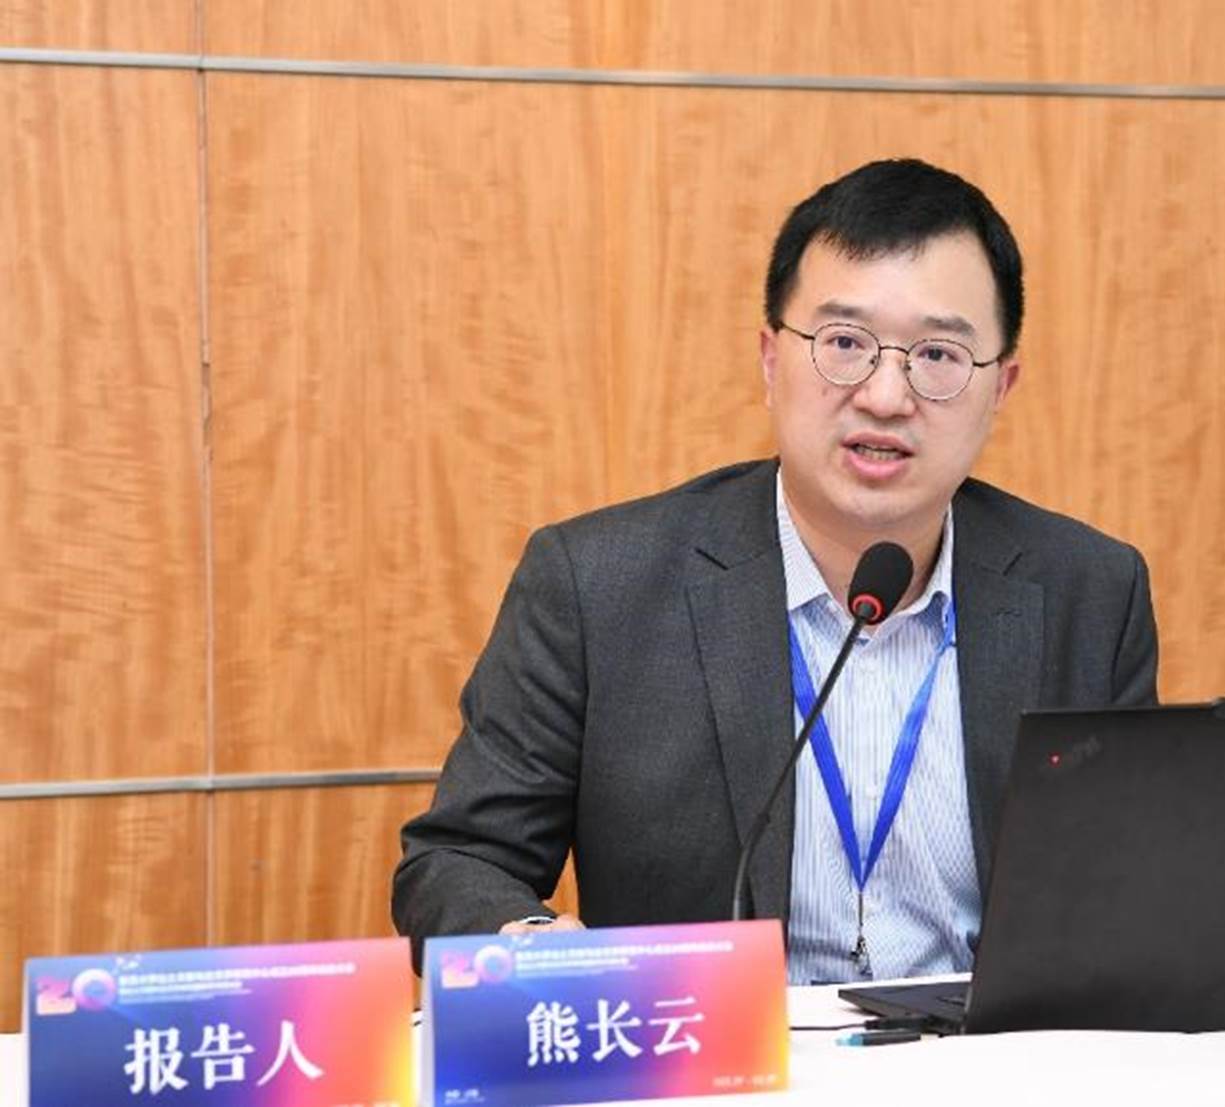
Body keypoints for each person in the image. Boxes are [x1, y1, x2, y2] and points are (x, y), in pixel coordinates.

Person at [392, 158, 1158, 983]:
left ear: (1000, 386)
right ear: (769, 359)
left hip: (995, 1050)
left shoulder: (1089, 593)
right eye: (844, 344)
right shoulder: (596, 586)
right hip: (712, 1044)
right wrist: (534, 943)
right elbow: (458, 859)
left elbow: (1134, 880)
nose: (885, 395)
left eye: (938, 353)